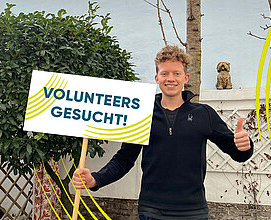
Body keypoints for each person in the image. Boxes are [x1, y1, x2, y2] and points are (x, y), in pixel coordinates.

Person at [72, 45, 253, 220]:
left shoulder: (203, 114)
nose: (170, 78)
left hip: (193, 212)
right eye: (164, 73)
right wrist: (95, 180)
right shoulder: (142, 114)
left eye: (176, 73)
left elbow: (237, 153)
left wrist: (245, 146)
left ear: (186, 77)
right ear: (157, 78)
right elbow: (123, 160)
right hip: (151, 212)